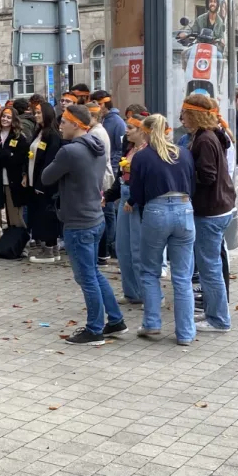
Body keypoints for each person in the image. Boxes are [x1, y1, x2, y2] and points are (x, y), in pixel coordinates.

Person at [42, 104, 127, 346]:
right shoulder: (97, 145)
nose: (60, 127)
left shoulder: (69, 151)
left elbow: (46, 177)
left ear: (76, 124)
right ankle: (116, 320)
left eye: (64, 123)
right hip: (94, 217)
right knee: (94, 274)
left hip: (78, 221)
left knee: (87, 277)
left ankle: (94, 329)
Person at [126, 113, 197, 344]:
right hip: (184, 209)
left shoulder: (142, 156)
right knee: (182, 277)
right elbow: (192, 184)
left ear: (145, 132)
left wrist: (132, 203)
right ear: (167, 130)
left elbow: (136, 190)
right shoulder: (183, 153)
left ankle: (152, 323)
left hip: (156, 211)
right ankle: (186, 333)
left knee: (149, 271)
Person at [181, 94, 236, 335]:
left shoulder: (204, 139)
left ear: (194, 115)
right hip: (219, 207)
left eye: (184, 113)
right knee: (210, 265)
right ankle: (215, 311)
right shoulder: (212, 135)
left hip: (210, 211)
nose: (181, 118)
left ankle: (218, 319)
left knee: (209, 267)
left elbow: (207, 176)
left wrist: (184, 176)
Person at [103, 114, 148, 305]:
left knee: (138, 249)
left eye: (130, 128)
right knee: (123, 248)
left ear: (141, 131)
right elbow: (121, 177)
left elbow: (146, 181)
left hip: (137, 201)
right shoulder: (128, 148)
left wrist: (135, 199)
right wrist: (108, 196)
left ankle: (148, 294)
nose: (126, 131)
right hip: (124, 196)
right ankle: (131, 293)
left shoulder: (148, 151)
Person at [0, 106, 29, 257]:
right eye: (3, 116)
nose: (5, 119)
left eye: (8, 117)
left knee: (16, 215)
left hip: (13, 181)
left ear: (14, 120)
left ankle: (22, 245)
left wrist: (1, 155)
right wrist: (6, 154)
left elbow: (20, 157)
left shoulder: (19, 137)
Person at [27, 103, 64, 263]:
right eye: (35, 113)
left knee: (46, 216)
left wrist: (42, 184)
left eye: (39, 113)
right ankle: (52, 248)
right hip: (33, 179)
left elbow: (50, 161)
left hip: (45, 183)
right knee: (41, 214)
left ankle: (48, 250)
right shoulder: (38, 132)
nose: (36, 115)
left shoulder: (53, 135)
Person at [85, 101, 115, 266]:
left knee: (100, 216)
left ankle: (102, 252)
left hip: (100, 178)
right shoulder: (97, 130)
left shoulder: (96, 133)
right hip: (102, 176)